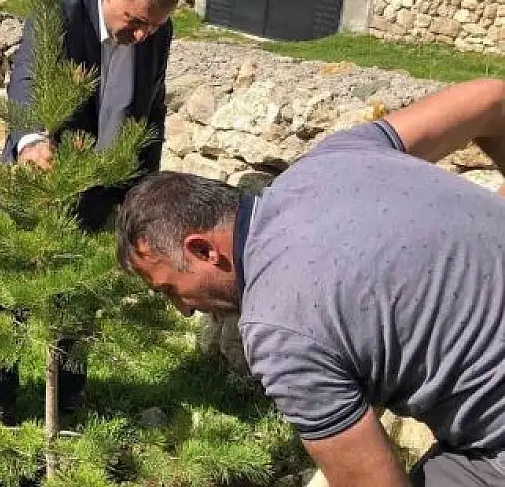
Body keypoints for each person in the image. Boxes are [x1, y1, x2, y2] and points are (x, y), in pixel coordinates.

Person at [115, 78, 505, 487]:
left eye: (171, 289)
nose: (185, 308)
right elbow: (493, 98)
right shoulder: (335, 158)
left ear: (204, 250)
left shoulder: (278, 329)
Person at [0, 0, 183, 424]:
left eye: (151, 28)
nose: (140, 36)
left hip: (97, 195)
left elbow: (148, 113)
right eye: (134, 22)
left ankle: (68, 403)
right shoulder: (58, 16)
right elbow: (27, 80)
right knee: (12, 301)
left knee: (78, 301)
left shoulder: (157, 33)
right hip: (38, 186)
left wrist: (143, 194)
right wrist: (32, 140)